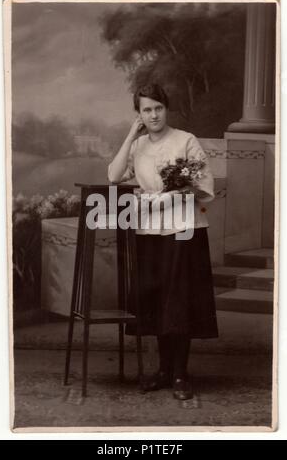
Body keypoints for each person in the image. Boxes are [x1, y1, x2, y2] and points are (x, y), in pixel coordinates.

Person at [108, 83, 218, 400]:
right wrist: (130, 135)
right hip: (149, 231)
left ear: (166, 109)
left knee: (179, 299)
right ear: (139, 114)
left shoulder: (186, 140)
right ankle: (163, 371)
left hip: (183, 229)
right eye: (146, 109)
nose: (154, 114)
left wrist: (171, 194)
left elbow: (203, 183)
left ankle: (181, 374)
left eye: (158, 108)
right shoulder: (138, 144)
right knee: (157, 300)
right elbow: (114, 176)